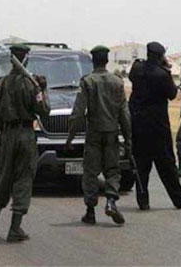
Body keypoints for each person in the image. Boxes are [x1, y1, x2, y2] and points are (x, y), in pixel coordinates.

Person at [0, 44, 50, 242]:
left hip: (7, 135)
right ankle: (15, 228)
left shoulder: (1, 84)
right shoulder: (31, 84)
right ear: (26, 59)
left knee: (3, 176)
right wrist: (42, 89)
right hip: (25, 134)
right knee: (23, 178)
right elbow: (44, 110)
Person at [66, 45, 131, 225]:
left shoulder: (87, 81)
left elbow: (78, 112)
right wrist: (128, 138)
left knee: (90, 173)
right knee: (112, 170)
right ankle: (111, 201)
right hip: (112, 133)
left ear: (93, 61)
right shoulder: (117, 82)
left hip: (94, 133)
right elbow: (124, 113)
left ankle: (90, 211)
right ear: (107, 60)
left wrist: (70, 137)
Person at [129, 42, 181, 210]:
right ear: (160, 57)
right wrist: (167, 69)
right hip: (158, 126)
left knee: (141, 165)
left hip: (138, 125)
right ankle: (178, 198)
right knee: (166, 164)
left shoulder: (137, 69)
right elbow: (173, 94)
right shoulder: (162, 75)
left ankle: (143, 200)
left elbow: (133, 75)